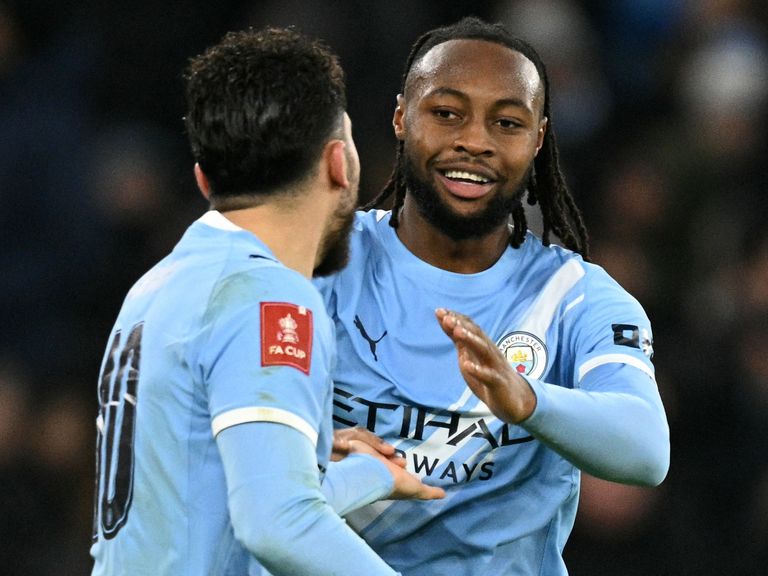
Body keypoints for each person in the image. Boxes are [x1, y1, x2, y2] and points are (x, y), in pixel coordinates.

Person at [314, 16, 670, 575]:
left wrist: (527, 401)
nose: (475, 142)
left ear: (537, 140)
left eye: (506, 123)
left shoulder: (574, 299)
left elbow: (646, 450)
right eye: (447, 113)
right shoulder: (320, 260)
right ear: (401, 117)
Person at [90, 27, 443, 576]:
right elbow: (276, 523)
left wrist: (371, 475)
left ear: (203, 179)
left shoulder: (158, 288)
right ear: (339, 163)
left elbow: (225, 498)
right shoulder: (268, 298)